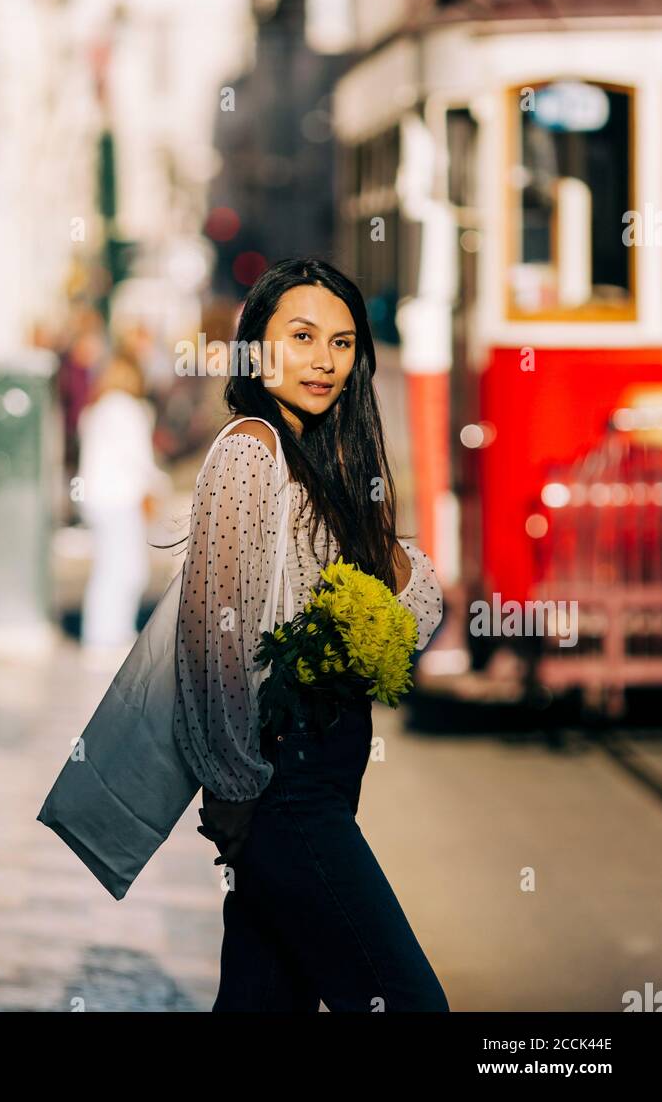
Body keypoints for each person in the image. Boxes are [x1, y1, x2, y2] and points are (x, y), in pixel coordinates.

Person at [172, 257, 449, 1012]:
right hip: (282, 788)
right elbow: (212, 638)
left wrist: (378, 601)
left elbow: (420, 604)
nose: (324, 360)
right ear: (256, 347)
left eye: (342, 342)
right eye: (301, 336)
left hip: (321, 777)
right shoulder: (248, 452)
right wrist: (234, 793)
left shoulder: (327, 460)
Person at [76, 350, 164, 649]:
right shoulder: (129, 409)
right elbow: (139, 459)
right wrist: (160, 484)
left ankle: (103, 631)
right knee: (128, 568)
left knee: (109, 566)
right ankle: (109, 634)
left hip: (96, 498)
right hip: (120, 498)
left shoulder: (96, 409)